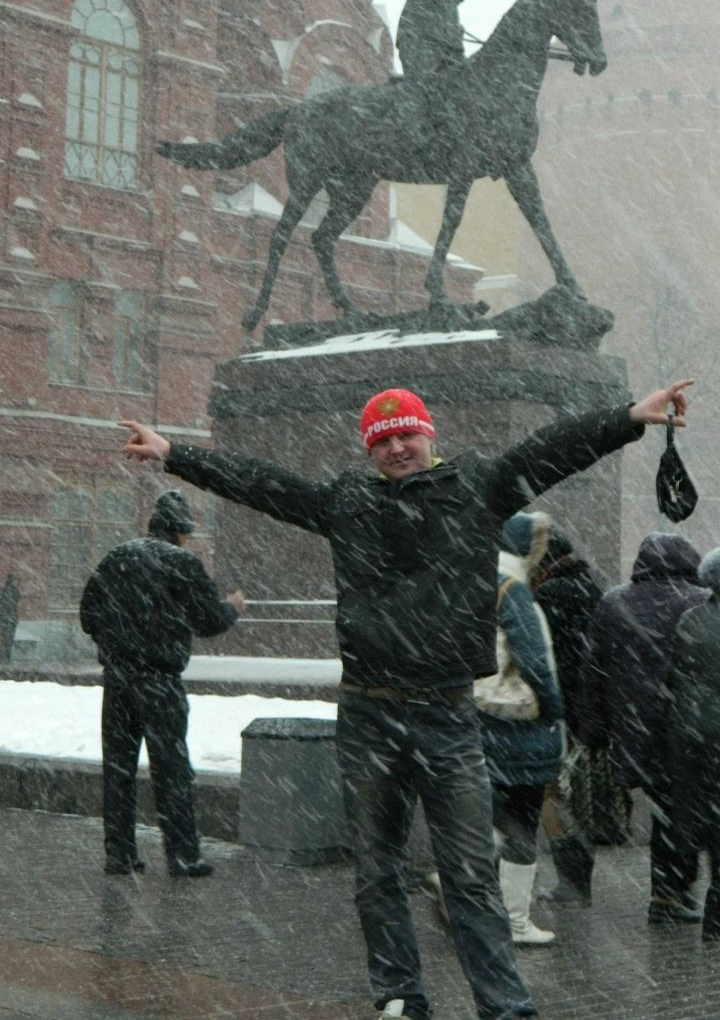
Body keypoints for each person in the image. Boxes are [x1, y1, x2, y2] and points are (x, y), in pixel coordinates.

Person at [121, 378, 691, 1020]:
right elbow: (263, 483)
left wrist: (628, 418)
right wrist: (176, 453)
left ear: (429, 435)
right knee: (377, 867)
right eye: (383, 440)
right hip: (369, 710)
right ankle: (399, 994)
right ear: (370, 449)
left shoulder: (479, 486)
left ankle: (504, 1005)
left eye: (406, 435)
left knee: (470, 871)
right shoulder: (348, 501)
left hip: (448, 711)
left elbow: (548, 451)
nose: (397, 448)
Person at [80, 489, 245, 878]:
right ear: (181, 531)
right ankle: (183, 856)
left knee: (118, 769)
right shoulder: (182, 563)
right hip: (160, 683)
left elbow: (88, 614)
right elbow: (208, 622)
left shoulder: (116, 557)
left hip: (117, 682)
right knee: (172, 771)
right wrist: (232, 608)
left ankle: (119, 855)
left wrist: (116, 642)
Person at [580, 530, 707, 923]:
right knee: (688, 811)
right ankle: (673, 892)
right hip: (690, 727)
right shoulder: (700, 602)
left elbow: (592, 670)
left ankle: (668, 893)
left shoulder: (614, 602)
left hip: (635, 728)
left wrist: (590, 726)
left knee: (665, 810)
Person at [482, 510, 564, 946]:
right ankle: (514, 919)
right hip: (519, 725)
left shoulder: (475, 580)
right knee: (521, 821)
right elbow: (535, 660)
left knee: (488, 813)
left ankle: (475, 908)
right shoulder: (513, 590)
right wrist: (555, 708)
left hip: (479, 720)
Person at [532, 526, 606, 906]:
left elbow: (543, 658)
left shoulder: (548, 594)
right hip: (590, 711)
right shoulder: (592, 585)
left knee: (554, 797)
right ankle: (580, 883)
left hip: (558, 711)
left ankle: (571, 884)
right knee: (580, 796)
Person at [664, 547, 720, 940]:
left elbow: (673, 677)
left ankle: (685, 891)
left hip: (689, 734)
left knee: (698, 816)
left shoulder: (690, 618)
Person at [0, 570, 21, 662]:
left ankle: (6, 658)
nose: (17, 582)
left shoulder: (11, 591)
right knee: (7, 640)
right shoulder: (8, 591)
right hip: (7, 619)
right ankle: (5, 658)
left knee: (8, 640)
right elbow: (7, 606)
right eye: (15, 580)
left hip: (9, 619)